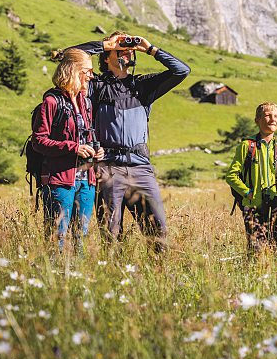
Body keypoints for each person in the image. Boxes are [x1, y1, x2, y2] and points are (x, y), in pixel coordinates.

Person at [71, 32, 190, 252]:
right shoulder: (95, 86)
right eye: (120, 49)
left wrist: (151, 49)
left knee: (158, 231)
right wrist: (105, 44)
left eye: (129, 49)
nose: (127, 52)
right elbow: (70, 57)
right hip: (107, 167)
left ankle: (157, 279)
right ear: (107, 57)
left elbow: (182, 71)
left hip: (140, 167)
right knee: (111, 232)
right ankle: (113, 278)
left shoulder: (143, 86)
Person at [31, 49, 105, 252]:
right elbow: (39, 141)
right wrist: (74, 148)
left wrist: (98, 151)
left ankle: (75, 280)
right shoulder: (51, 102)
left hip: (86, 181)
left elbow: (87, 135)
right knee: (57, 237)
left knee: (81, 238)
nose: (91, 76)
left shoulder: (86, 102)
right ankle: (53, 278)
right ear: (73, 70)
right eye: (87, 71)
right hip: (59, 181)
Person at [224, 102, 277, 255]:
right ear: (257, 120)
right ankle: (253, 275)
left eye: (276, 116)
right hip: (252, 208)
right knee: (256, 251)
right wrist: (248, 193)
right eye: (267, 115)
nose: (272, 119)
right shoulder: (247, 146)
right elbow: (231, 176)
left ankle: (276, 278)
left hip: (275, 208)